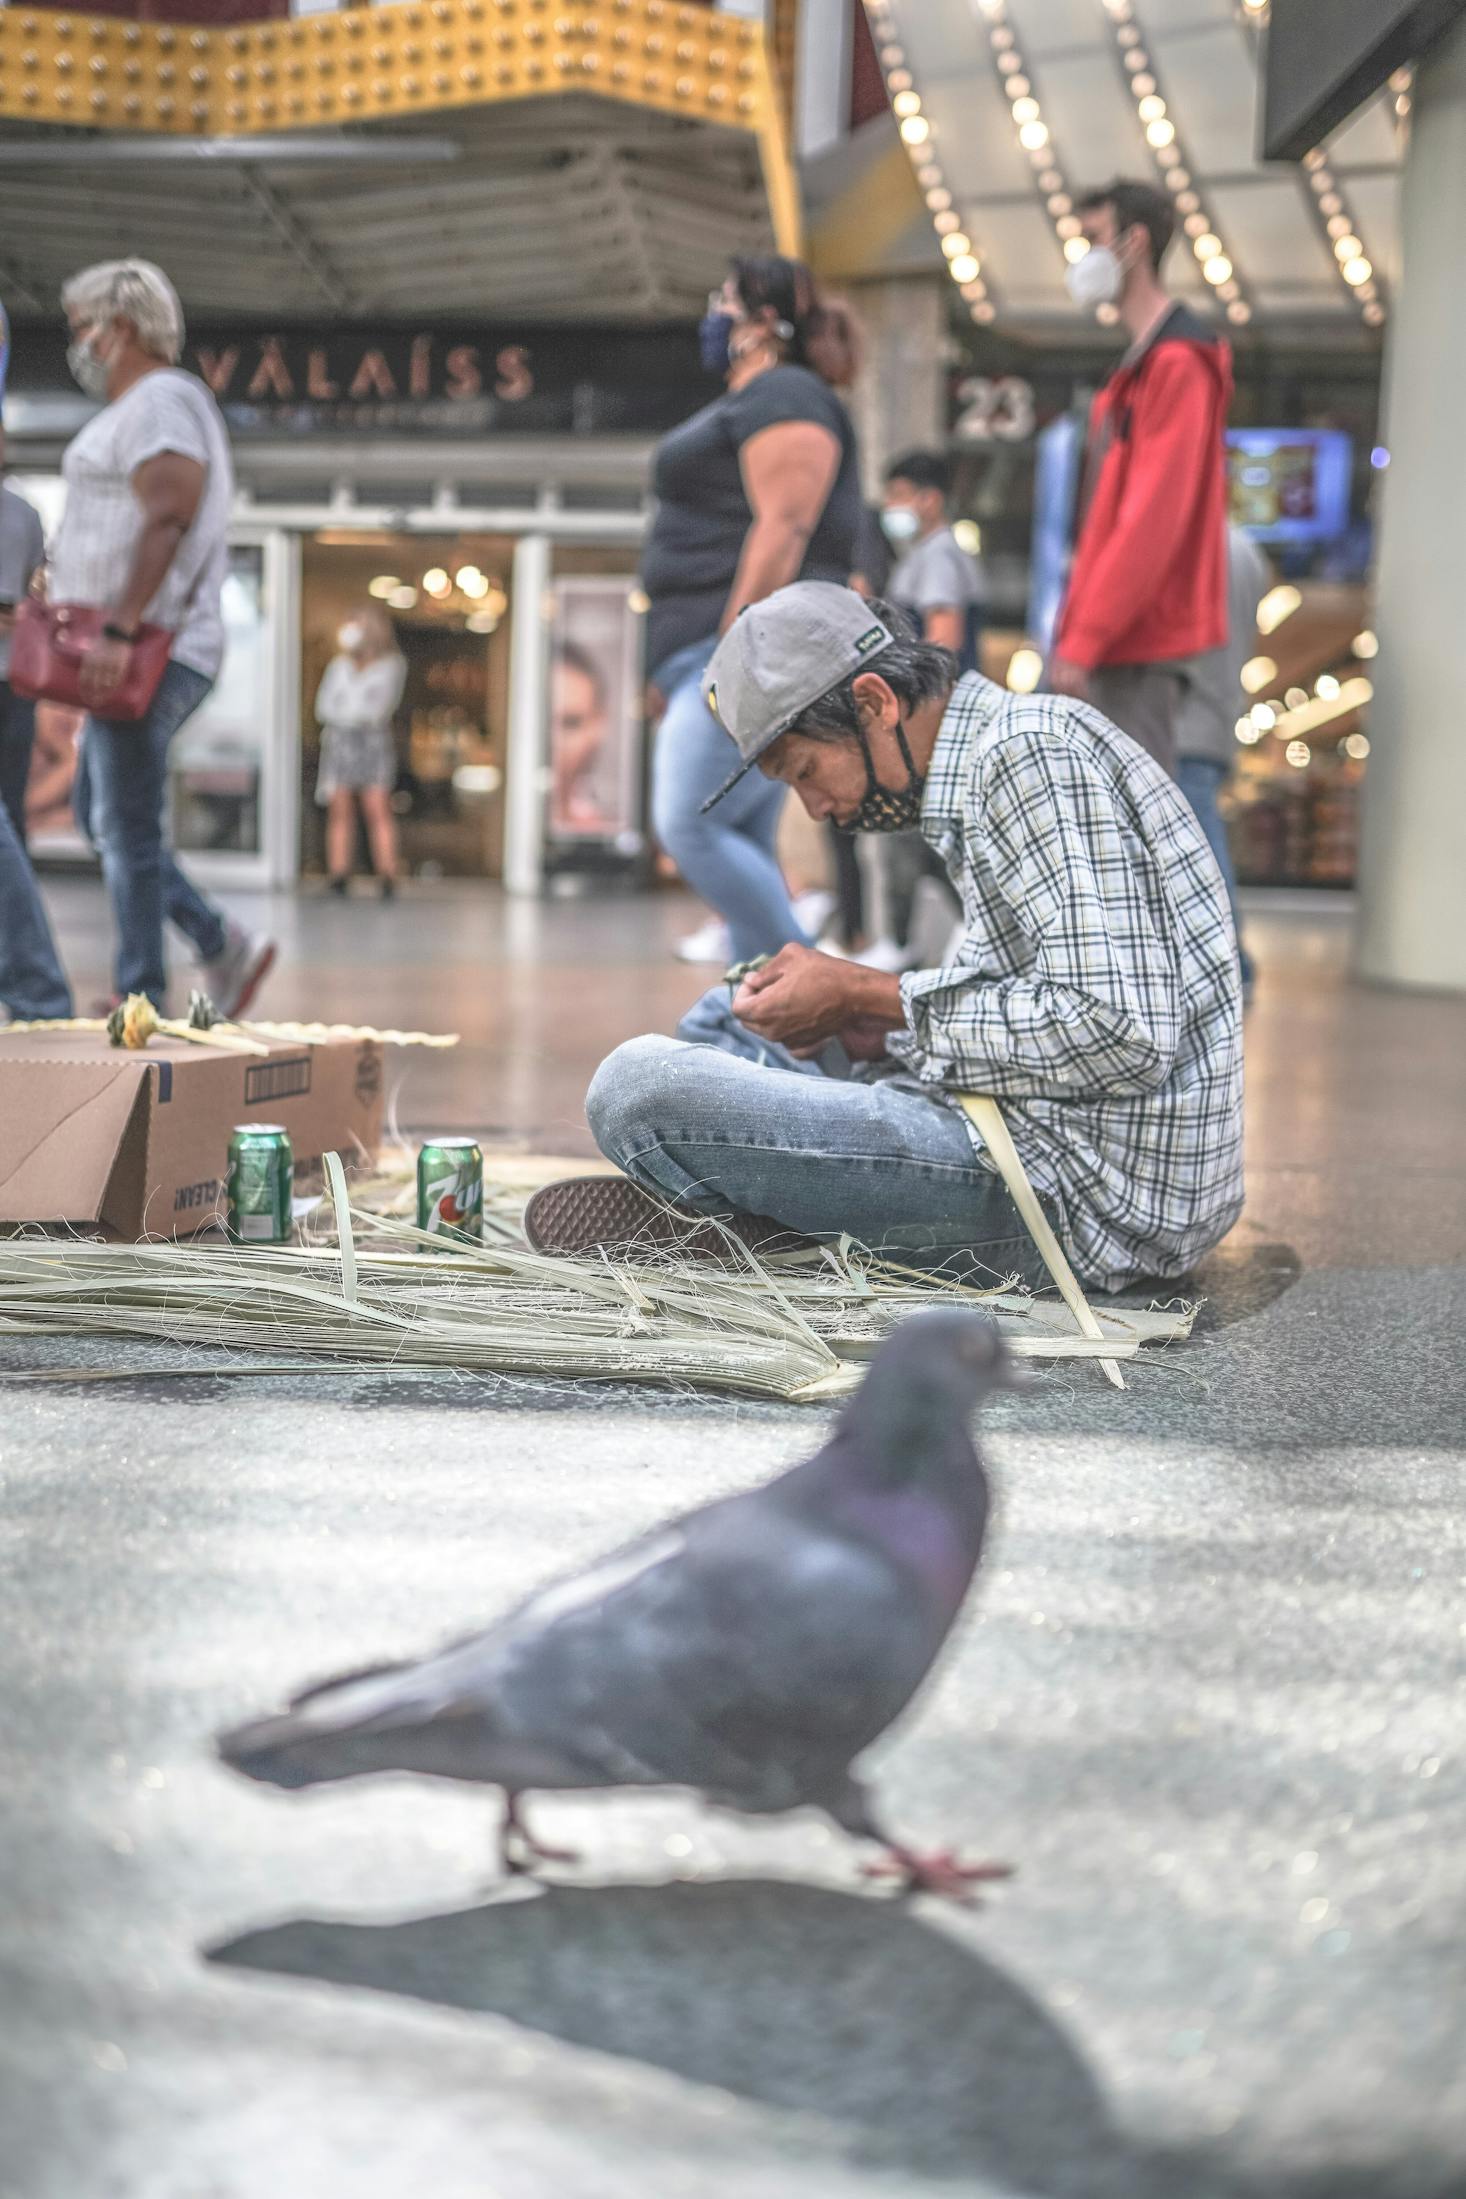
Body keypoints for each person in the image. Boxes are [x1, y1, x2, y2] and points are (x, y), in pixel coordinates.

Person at [537, 584, 1243, 1295]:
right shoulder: (1004, 758)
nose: (817, 809)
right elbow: (1041, 1000)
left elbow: (1122, 1030)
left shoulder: (1027, 758)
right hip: (1024, 1128)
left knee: (639, 1088)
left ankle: (780, 1222)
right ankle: (788, 1211)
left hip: (1072, 1203)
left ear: (875, 703)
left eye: (807, 771)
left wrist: (875, 995)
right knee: (728, 1011)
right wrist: (877, 1027)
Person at [52, 258, 274, 1013]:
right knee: (100, 815)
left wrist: (118, 628)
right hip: (135, 641)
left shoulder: (161, 401)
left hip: (150, 645)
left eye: (84, 328)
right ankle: (217, 940)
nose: (78, 344)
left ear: (122, 328)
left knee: (126, 824)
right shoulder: (143, 408)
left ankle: (140, 992)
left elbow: (169, 509)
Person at [642, 256, 864, 965]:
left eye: (725, 300)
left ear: (764, 323)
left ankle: (823, 1007)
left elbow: (785, 526)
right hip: (705, 655)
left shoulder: (786, 393)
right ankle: (762, 1033)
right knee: (733, 835)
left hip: (743, 655)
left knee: (688, 826)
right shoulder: (762, 396)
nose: (714, 314)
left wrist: (732, 658)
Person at [1047, 179, 1232, 778]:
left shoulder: (1177, 365)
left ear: (1135, 243)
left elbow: (1154, 515)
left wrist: (1086, 635)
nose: (1084, 256)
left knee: (1137, 834)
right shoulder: (1140, 368)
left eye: (1093, 238)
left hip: (1138, 641)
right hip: (1120, 641)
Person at [862, 449, 986, 970]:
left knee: (918, 831)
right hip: (927, 722)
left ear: (930, 500)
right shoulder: (923, 555)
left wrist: (910, 714)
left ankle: (927, 939)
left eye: (898, 495)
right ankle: (913, 940)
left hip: (929, 724)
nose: (891, 507)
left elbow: (944, 640)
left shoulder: (938, 556)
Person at [1175, 524, 1271, 995]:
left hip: (1184, 717)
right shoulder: (1247, 551)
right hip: (1215, 716)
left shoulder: (1200, 544)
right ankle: (1230, 961)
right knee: (1202, 845)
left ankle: (1232, 963)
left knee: (1201, 850)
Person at [314, 605, 407, 896]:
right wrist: (348, 713)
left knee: (376, 807)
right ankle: (338, 874)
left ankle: (387, 874)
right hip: (341, 744)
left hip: (372, 744)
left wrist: (348, 712)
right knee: (339, 809)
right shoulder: (338, 666)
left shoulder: (391, 665)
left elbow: (377, 709)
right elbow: (324, 706)